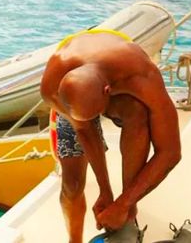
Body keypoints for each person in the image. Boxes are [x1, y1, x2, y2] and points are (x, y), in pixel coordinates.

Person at [40, 30, 182, 243]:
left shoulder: (141, 74)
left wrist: (124, 203)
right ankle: (74, 240)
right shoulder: (51, 87)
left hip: (117, 70)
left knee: (137, 112)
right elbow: (85, 131)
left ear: (108, 91)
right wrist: (105, 191)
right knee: (72, 183)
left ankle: (128, 214)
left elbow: (170, 152)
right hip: (76, 88)